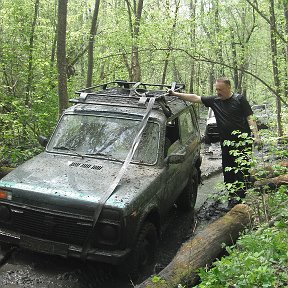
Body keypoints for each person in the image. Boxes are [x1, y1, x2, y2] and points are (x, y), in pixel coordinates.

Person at [168, 77, 261, 208]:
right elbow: (195, 98)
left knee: (242, 172)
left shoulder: (240, 100)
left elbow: (250, 118)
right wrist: (175, 94)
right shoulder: (214, 101)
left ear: (228, 87)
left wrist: (256, 136)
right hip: (226, 145)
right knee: (228, 172)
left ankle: (241, 201)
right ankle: (232, 197)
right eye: (216, 89)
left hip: (242, 143)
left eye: (220, 89)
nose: (217, 92)